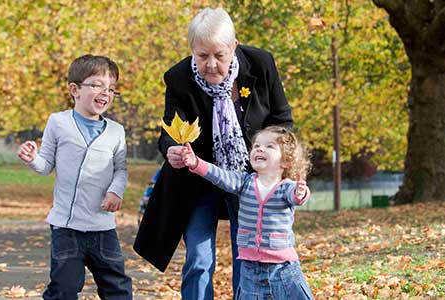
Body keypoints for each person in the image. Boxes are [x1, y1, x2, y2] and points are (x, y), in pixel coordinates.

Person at [133, 7, 293, 300]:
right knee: (199, 256)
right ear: (192, 50)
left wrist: (271, 156)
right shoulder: (179, 77)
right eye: (202, 55)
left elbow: (282, 119)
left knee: (246, 254)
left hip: (248, 180)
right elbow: (170, 129)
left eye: (219, 55)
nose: (211, 65)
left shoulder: (261, 64)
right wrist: (171, 150)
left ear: (234, 46)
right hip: (198, 178)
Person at [17, 54, 133, 300]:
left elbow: (121, 169)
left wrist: (116, 191)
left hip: (103, 228)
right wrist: (32, 159)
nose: (106, 93)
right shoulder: (58, 123)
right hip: (67, 228)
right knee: (64, 289)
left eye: (111, 88)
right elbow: (46, 165)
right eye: (97, 85)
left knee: (118, 289)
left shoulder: (116, 132)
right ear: (75, 89)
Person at [181, 126, 314, 300]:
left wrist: (301, 193)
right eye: (257, 145)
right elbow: (220, 175)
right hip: (250, 270)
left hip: (283, 269)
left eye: (269, 146)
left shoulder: (286, 187)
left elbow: (297, 197)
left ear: (286, 161)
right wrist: (197, 163)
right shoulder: (244, 182)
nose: (260, 148)